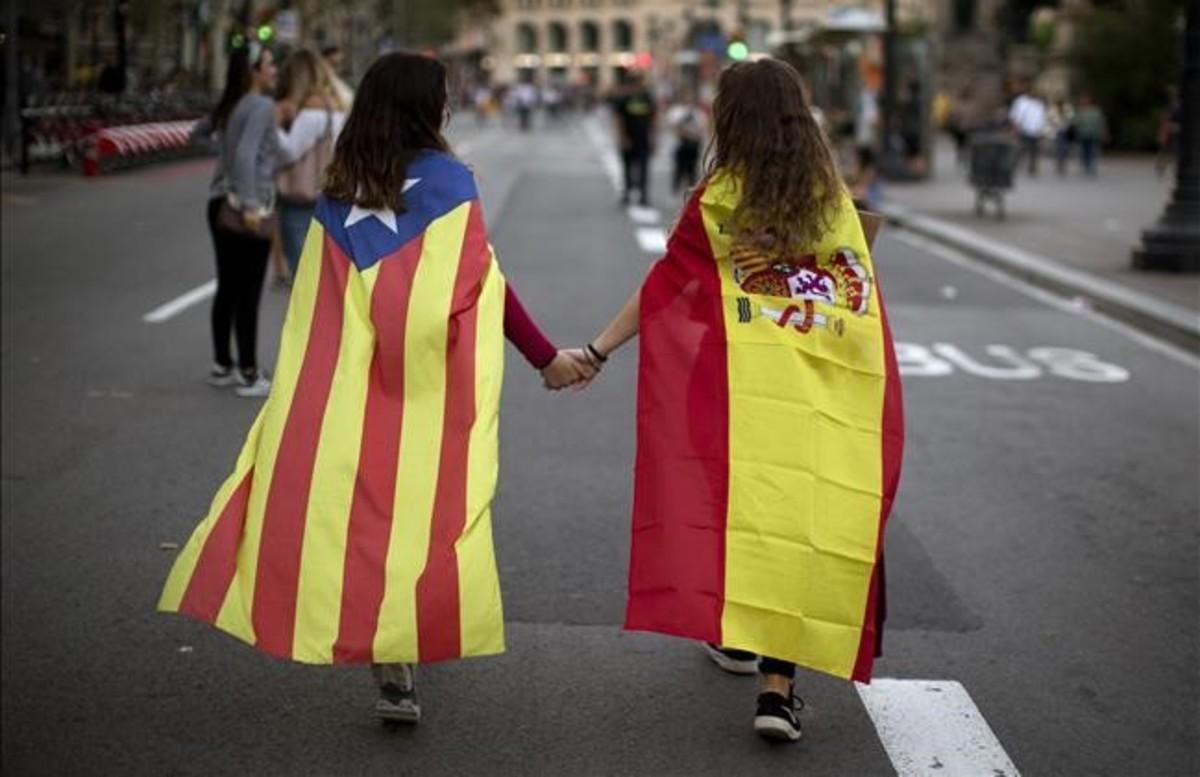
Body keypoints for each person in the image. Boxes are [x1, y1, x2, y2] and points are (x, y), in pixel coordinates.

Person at [158, 50, 594, 728]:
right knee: (415, 517)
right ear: (427, 108)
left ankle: (388, 663)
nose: (449, 106)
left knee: (350, 514)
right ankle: (397, 649)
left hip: (341, 385)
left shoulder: (341, 187)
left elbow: (319, 300)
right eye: (442, 96)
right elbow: (482, 286)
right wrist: (543, 357)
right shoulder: (451, 184)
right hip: (423, 383)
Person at [576, 58, 903, 743]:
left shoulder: (720, 198)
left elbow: (668, 287)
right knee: (806, 525)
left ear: (731, 119)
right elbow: (860, 288)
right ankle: (777, 690)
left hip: (741, 394)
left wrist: (597, 350)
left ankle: (737, 629)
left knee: (749, 515)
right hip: (826, 393)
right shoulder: (830, 196)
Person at [194, 42, 280, 397]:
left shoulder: (231, 105)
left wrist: (223, 159)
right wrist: (249, 205)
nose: (275, 70)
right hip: (245, 208)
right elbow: (247, 154)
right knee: (248, 290)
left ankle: (222, 365)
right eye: (270, 64)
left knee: (228, 287)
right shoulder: (260, 105)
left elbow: (197, 134)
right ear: (254, 72)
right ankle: (248, 372)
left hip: (218, 203)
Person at [274, 48, 349, 281]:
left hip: (301, 200)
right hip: (331, 198)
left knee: (303, 279)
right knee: (324, 279)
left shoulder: (311, 111)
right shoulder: (338, 106)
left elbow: (288, 151)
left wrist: (275, 124)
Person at [611, 72, 657, 206]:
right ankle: (626, 193)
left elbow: (654, 118)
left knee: (644, 167)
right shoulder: (624, 98)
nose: (639, 85)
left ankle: (643, 195)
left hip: (643, 139)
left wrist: (653, 137)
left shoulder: (647, 97)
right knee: (627, 167)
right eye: (636, 83)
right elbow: (618, 119)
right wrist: (623, 137)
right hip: (629, 138)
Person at [666, 91, 707, 196]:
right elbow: (673, 127)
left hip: (694, 144)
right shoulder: (676, 111)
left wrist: (695, 136)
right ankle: (676, 189)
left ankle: (691, 190)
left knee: (692, 169)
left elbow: (702, 128)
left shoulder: (698, 112)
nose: (688, 100)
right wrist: (686, 134)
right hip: (680, 144)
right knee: (679, 168)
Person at [1009, 84, 1047, 176]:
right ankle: (1013, 166)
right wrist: (1015, 128)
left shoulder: (1039, 103)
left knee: (1034, 150)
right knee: (1020, 149)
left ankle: (1032, 167)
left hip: (1036, 131)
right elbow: (1015, 115)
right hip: (1023, 129)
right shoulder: (1021, 101)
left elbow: (1042, 117)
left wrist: (1042, 129)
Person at [1074, 93, 1107, 177]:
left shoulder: (1095, 111)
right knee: (1084, 151)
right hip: (1083, 134)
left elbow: (1101, 122)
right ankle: (1086, 166)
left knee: (1092, 151)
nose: (1084, 102)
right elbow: (1075, 122)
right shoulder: (1080, 111)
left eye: (1086, 100)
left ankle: (1092, 166)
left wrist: (1103, 132)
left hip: (1093, 134)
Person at [1047, 96, 1076, 176]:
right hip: (1057, 131)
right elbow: (1049, 118)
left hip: (1065, 131)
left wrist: (1065, 116)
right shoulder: (1053, 109)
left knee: (1065, 148)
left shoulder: (1067, 108)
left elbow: (1071, 117)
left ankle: (1063, 163)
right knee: (1058, 148)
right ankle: (1059, 164)